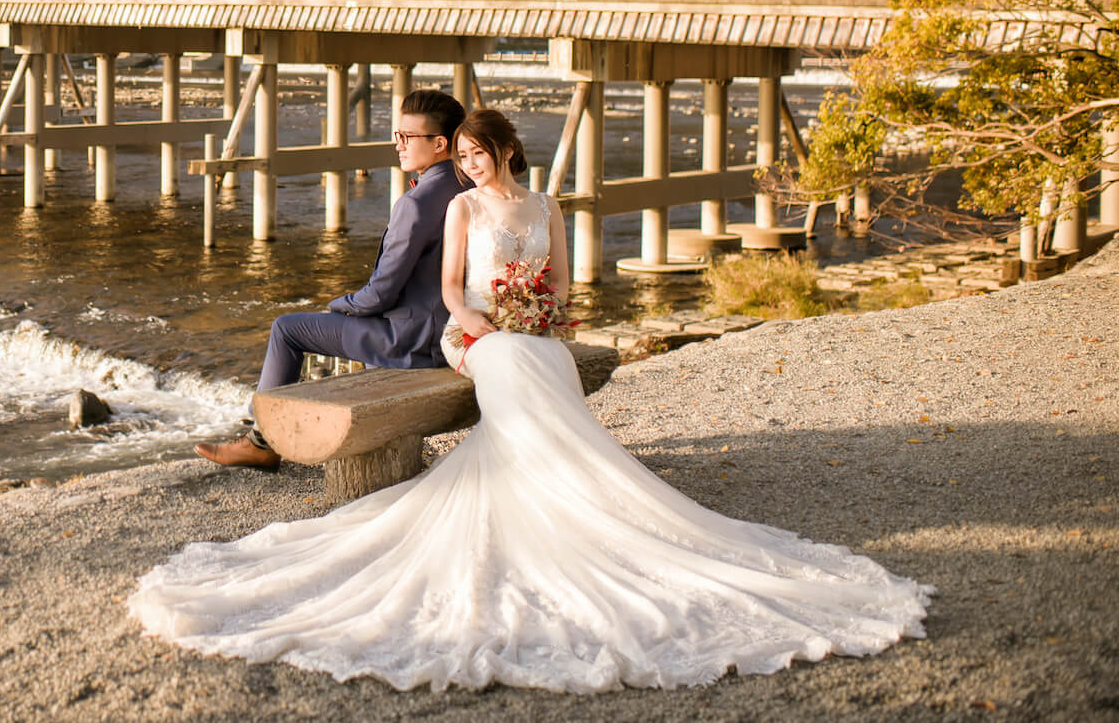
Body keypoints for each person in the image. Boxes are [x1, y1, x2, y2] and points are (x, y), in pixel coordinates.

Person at [132, 109, 931, 693]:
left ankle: (571, 488)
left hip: (528, 326)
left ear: (505, 152)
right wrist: (484, 321)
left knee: (540, 357)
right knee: (513, 361)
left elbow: (564, 282)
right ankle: (550, 477)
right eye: (466, 156)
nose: (473, 167)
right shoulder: (458, 205)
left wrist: (545, 315)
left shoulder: (541, 205)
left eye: (481, 155)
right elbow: (451, 289)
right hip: (468, 330)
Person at [195, 88, 466, 470]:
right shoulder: (469, 187)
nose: (398, 146)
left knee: (287, 329)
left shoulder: (416, 204)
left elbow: (381, 294)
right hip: (451, 336)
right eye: (396, 136)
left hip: (411, 344)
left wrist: (341, 304)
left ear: (440, 144)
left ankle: (261, 442)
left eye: (407, 138)